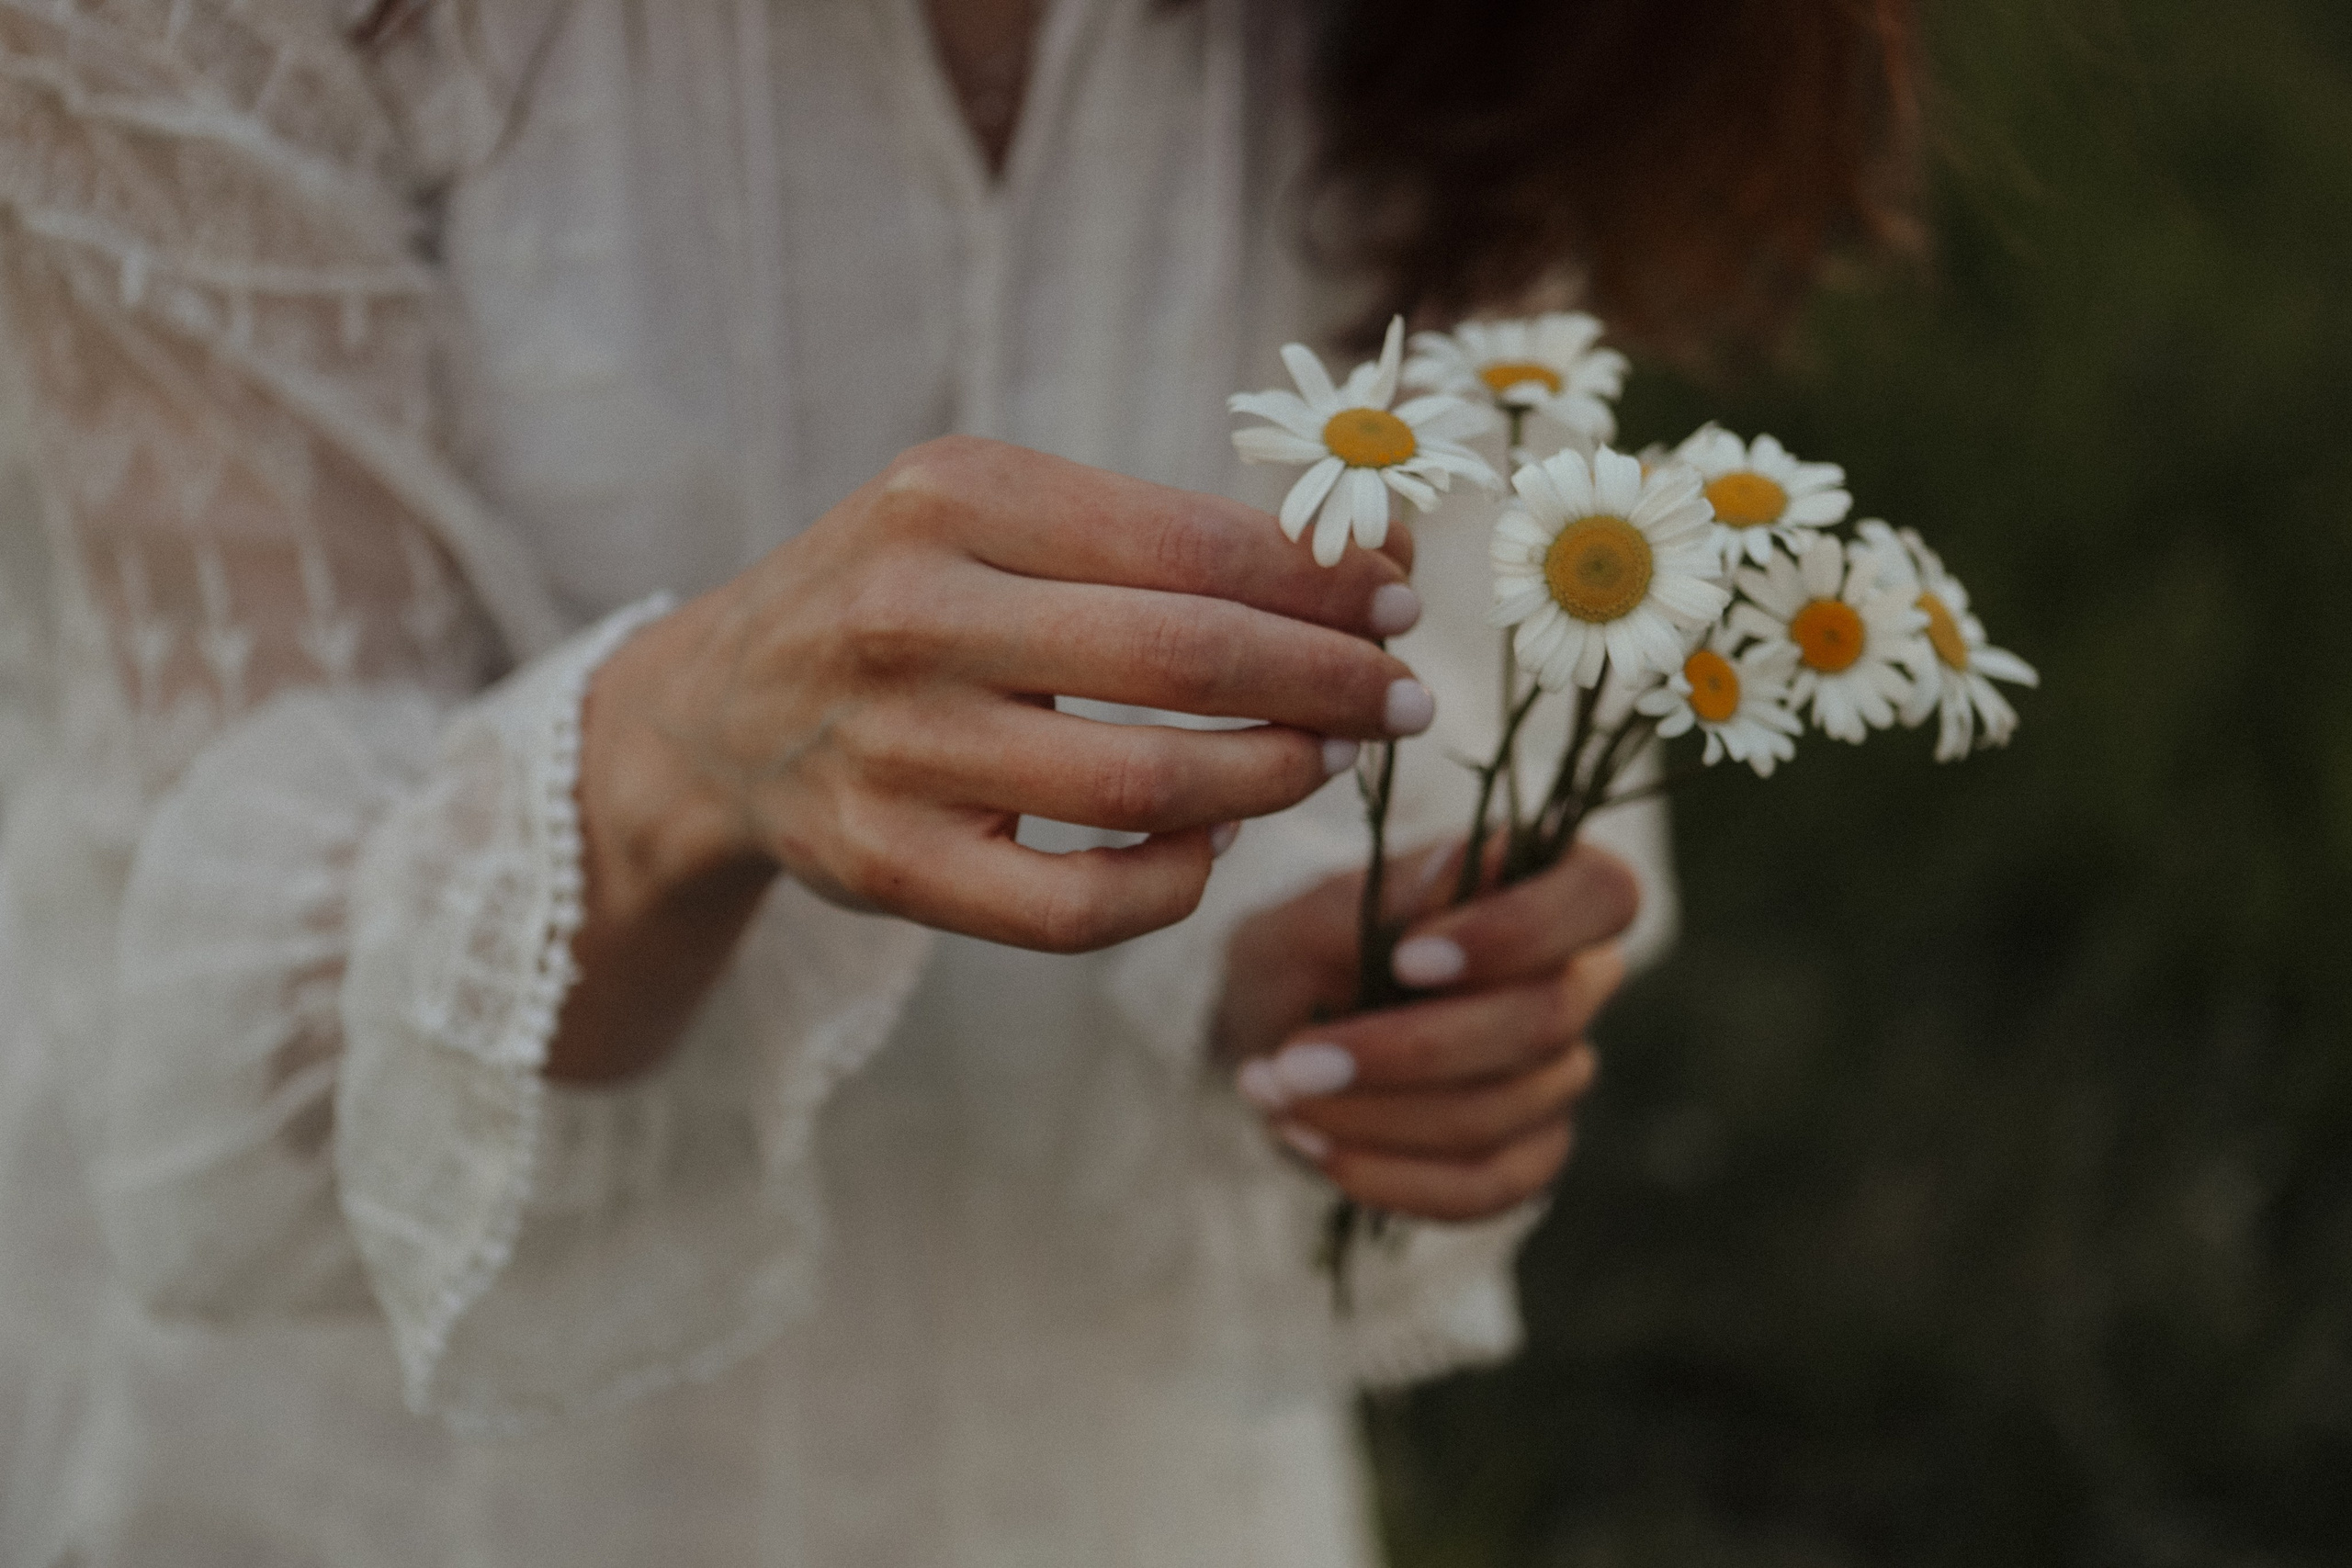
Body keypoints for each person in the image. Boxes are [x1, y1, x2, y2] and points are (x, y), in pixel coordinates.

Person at [0, 1, 1913, 1563]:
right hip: (387, 1475)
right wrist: (674, 764)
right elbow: (223, 1078)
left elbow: (1455, 614)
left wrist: (1341, 971)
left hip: (1105, 1454)